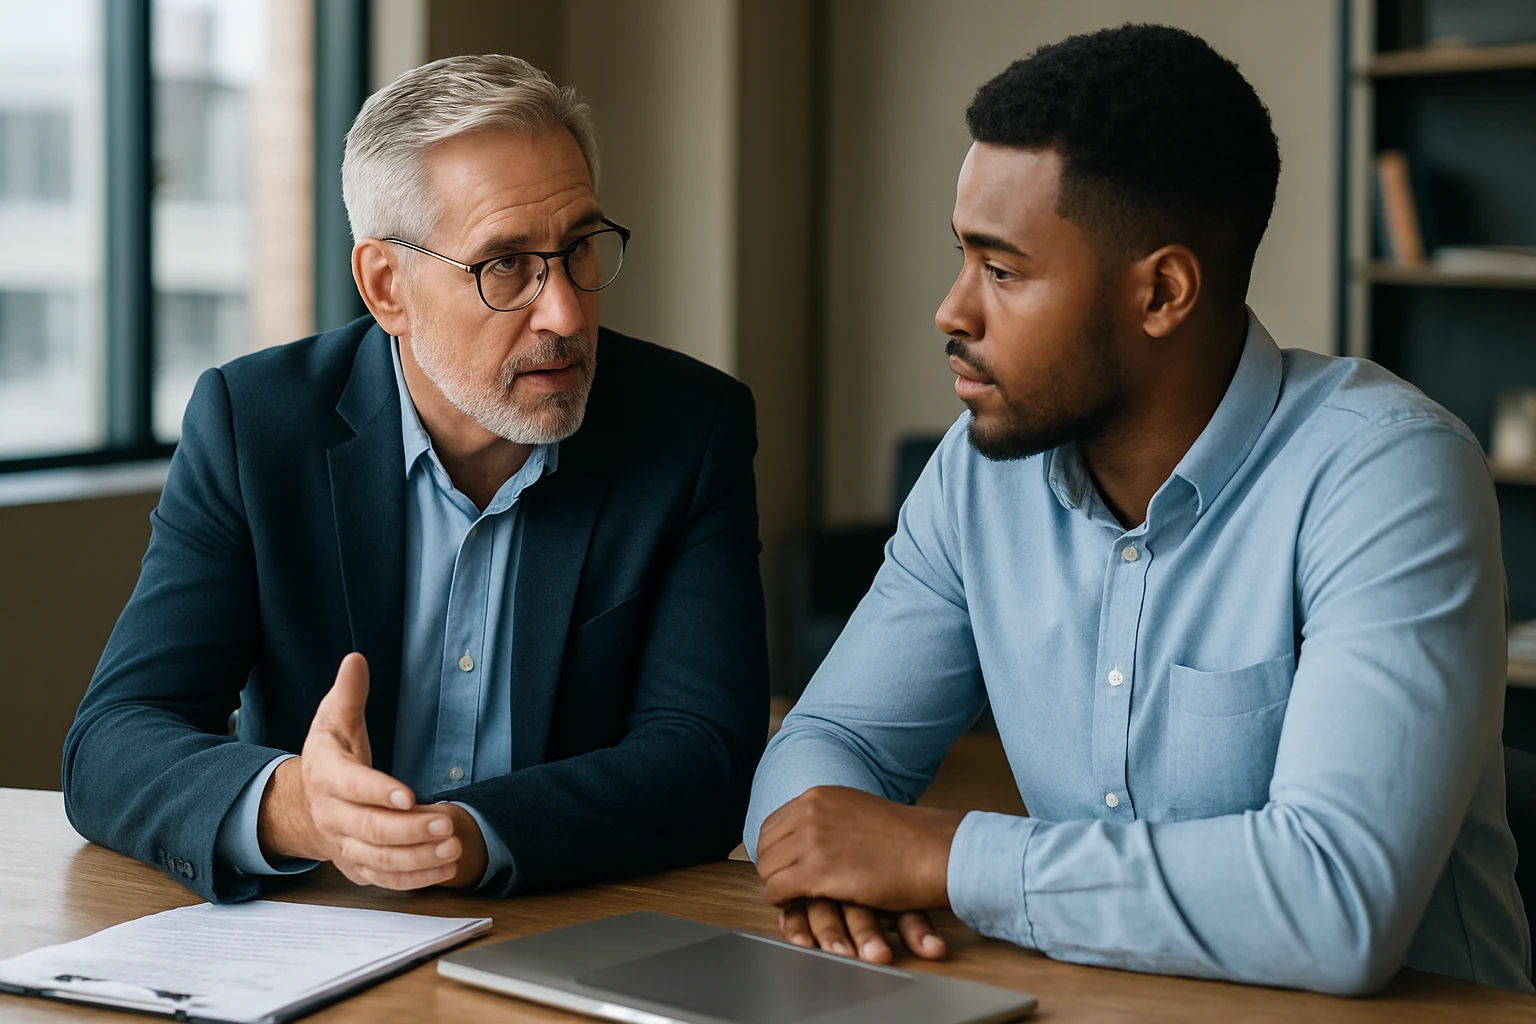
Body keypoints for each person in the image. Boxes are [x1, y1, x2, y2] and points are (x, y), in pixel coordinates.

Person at [745, 25, 1533, 995]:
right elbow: (836, 747)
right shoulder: (979, 470)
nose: (952, 310)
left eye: (1002, 269)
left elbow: (1337, 902)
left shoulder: (1389, 475)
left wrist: (942, 857)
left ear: (1162, 291)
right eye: (962, 257)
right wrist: (831, 873)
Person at [63, 54, 768, 903]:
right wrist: (298, 808)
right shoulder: (255, 427)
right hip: (314, 929)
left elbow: (707, 757)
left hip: (564, 921)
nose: (567, 311)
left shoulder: (688, 428)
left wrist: (467, 836)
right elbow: (112, 739)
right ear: (385, 287)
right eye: (506, 264)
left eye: (580, 247)